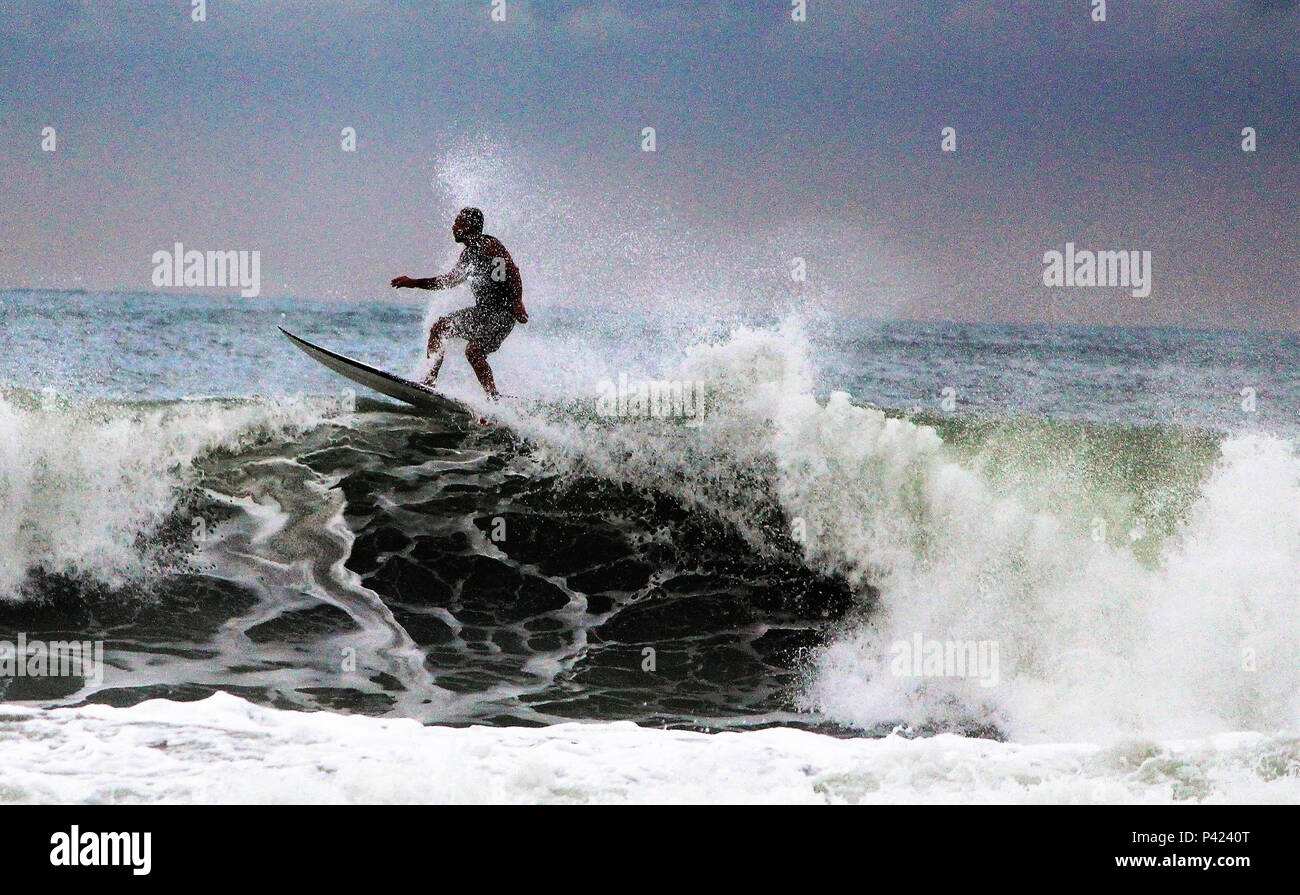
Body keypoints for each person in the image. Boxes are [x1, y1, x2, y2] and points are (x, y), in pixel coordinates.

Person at [390, 207, 527, 399]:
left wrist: (517, 301)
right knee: (440, 328)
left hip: (503, 314)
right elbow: (447, 281)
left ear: (469, 226)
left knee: (473, 351)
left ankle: (493, 397)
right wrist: (414, 283)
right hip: (483, 312)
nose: (454, 227)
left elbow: (513, 271)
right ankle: (429, 381)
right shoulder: (468, 255)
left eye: (458, 223)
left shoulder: (490, 246)